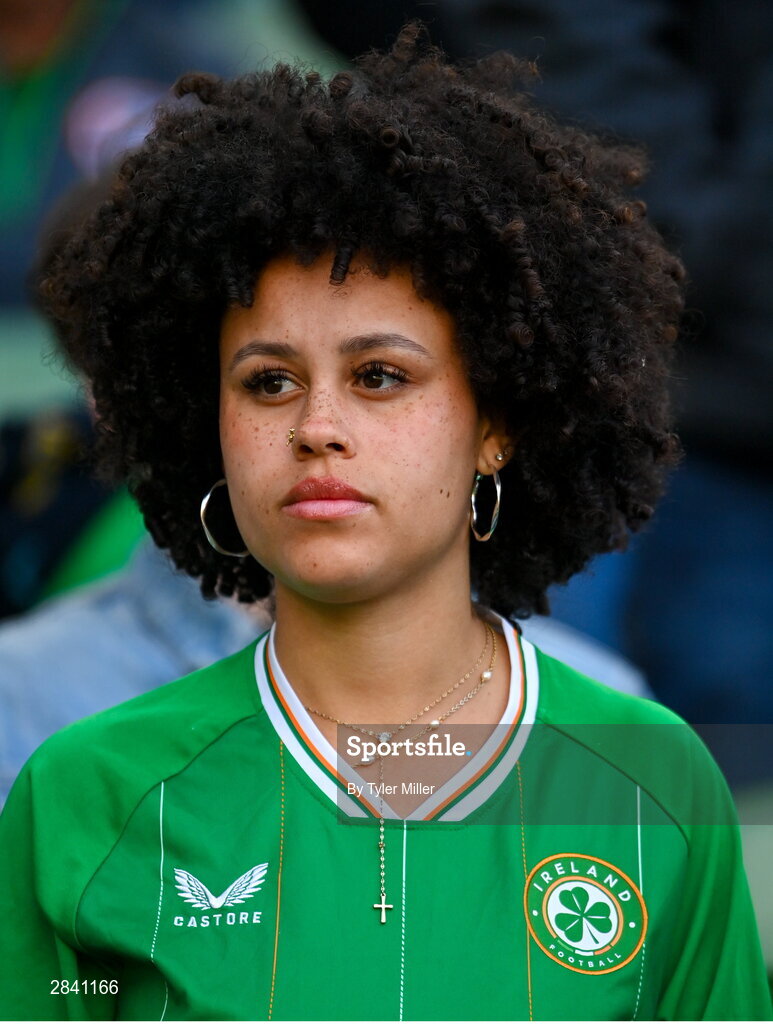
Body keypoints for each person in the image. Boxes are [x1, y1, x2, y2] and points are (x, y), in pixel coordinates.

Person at [0, 23, 769, 1021]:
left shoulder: (645, 770)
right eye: (267, 381)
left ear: (495, 423)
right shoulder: (83, 788)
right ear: (204, 429)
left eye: (379, 377)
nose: (317, 428)